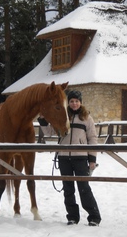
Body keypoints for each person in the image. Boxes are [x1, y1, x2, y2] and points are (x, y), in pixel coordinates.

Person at [38, 90, 101, 226]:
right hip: (64, 158)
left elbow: (92, 138)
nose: (74, 104)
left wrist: (92, 160)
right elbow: (49, 132)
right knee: (68, 189)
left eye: (76, 101)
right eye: (71, 101)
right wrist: (43, 120)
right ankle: (72, 217)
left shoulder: (87, 118)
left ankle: (94, 217)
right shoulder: (62, 116)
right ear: (68, 102)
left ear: (81, 102)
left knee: (84, 188)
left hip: (80, 158)